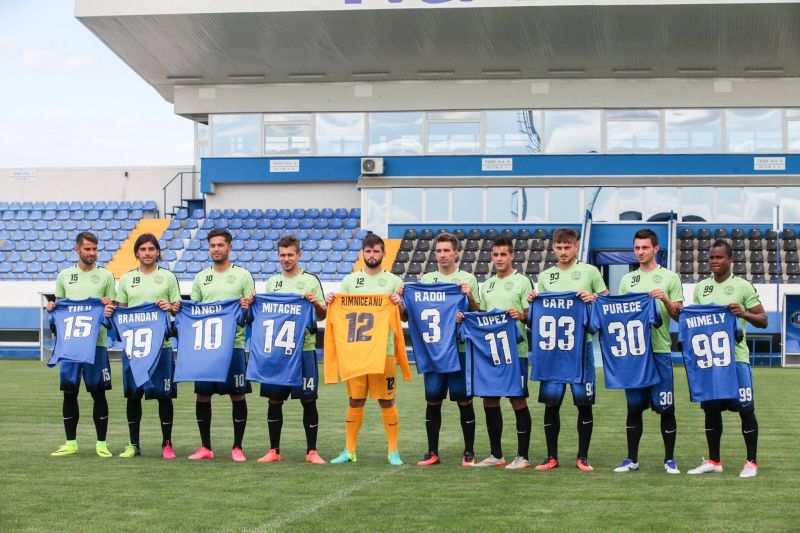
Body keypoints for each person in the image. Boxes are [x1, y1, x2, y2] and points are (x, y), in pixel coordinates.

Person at [528, 227, 607, 472]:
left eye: (567, 247)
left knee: (584, 403)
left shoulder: (590, 271)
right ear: (553, 248)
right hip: (552, 351)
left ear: (576, 246)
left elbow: (606, 300)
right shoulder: (546, 276)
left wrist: (594, 298)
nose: (563, 252)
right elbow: (538, 312)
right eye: (559, 248)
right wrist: (532, 301)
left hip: (580, 349)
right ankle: (551, 457)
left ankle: (583, 457)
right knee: (551, 405)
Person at [688, 239, 767, 478]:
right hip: (710, 361)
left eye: (719, 257)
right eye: (711, 257)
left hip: (736, 360)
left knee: (746, 409)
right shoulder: (701, 288)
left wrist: (743, 313)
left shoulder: (743, 286)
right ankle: (714, 460)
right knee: (711, 411)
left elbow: (763, 320)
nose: (714, 261)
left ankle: (751, 462)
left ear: (730, 260)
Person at [325, 234, 406, 466]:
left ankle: (393, 451)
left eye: (376, 251)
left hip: (384, 351)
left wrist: (399, 303)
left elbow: (404, 316)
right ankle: (349, 450)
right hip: (356, 351)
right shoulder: (350, 281)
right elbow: (342, 313)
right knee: (355, 400)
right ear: (363, 253)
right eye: (368, 251)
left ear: (384, 253)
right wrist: (332, 300)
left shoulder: (394, 282)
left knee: (387, 401)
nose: (372, 255)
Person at [403, 232, 481, 467]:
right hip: (434, 351)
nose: (442, 255)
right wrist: (400, 301)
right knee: (433, 400)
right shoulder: (426, 280)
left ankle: (469, 452)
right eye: (439, 251)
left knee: (464, 400)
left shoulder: (467, 279)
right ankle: (432, 452)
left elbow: (477, 313)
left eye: (447, 250)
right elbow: (409, 315)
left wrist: (469, 298)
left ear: (456, 253)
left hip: (459, 350)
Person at [614, 229, 683, 474]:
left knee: (666, 406)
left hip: (660, 350)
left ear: (656, 249)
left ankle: (670, 460)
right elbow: (620, 314)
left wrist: (665, 299)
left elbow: (679, 315)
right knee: (633, 407)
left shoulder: (670, 278)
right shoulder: (627, 280)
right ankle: (631, 459)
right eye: (637, 248)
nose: (640, 252)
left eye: (645, 247)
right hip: (634, 354)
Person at [184, 229, 255, 461]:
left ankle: (238, 447)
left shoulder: (243, 276)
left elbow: (251, 315)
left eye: (220, 245)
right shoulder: (201, 278)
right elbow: (194, 312)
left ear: (229, 247)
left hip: (233, 345)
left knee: (237, 395)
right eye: (212, 245)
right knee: (203, 395)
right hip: (206, 347)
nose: (216, 249)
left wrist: (246, 308)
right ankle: (205, 447)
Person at [258, 236, 327, 464]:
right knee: (274, 400)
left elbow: (323, 314)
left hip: (304, 350)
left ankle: (312, 451)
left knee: (308, 399)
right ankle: (274, 450)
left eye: (290, 255)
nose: (286, 259)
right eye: (282, 255)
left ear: (299, 255)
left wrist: (315, 303)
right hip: (277, 352)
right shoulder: (272, 283)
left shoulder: (310, 281)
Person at [48, 231, 116, 457]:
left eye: (95, 249)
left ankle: (101, 443)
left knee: (98, 392)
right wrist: (52, 308)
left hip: (96, 345)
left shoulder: (106, 276)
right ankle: (71, 443)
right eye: (87, 249)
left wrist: (109, 307)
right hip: (70, 346)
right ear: (77, 249)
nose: (92, 253)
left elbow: (112, 311)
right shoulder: (65, 276)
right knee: (69, 392)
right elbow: (59, 308)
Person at [115, 233, 181, 459]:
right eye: (143, 249)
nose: (147, 253)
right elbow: (122, 311)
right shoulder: (126, 279)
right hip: (135, 349)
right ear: (136, 253)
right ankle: (134, 444)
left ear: (157, 252)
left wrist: (169, 307)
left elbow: (177, 308)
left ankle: (167, 444)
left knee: (164, 396)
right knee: (133, 396)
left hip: (161, 347)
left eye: (151, 249)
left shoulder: (168, 277)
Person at [471, 236, 534, 470]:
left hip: (516, 352)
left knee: (517, 399)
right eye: (495, 255)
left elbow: (532, 315)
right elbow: (482, 316)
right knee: (489, 399)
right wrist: (468, 307)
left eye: (503, 254)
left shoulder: (523, 281)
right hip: (491, 352)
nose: (499, 259)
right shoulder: (486, 285)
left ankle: (523, 456)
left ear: (512, 256)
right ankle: (496, 454)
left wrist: (521, 315)